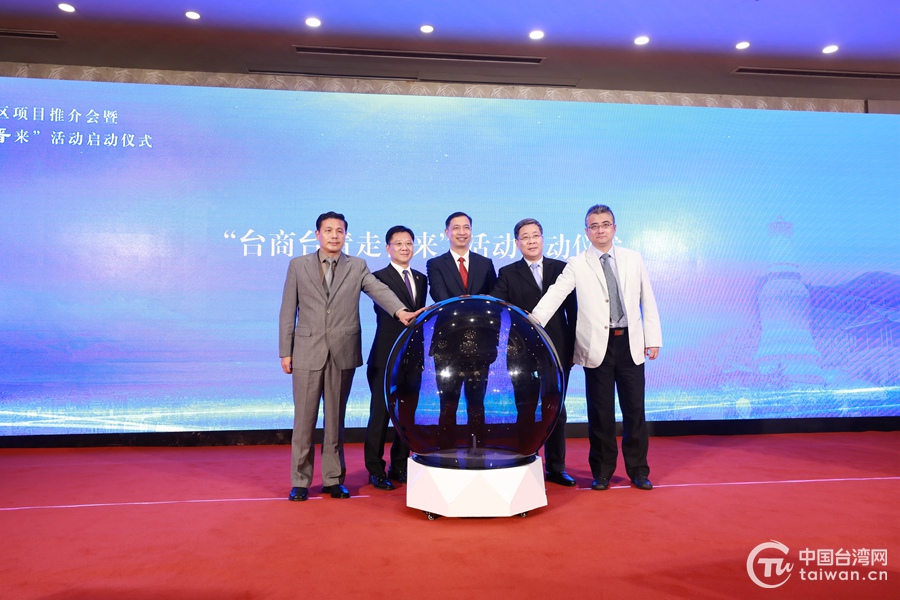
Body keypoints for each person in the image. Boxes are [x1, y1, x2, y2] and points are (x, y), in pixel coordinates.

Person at [278, 211, 421, 502]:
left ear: (345, 235)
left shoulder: (356, 266)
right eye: (329, 230)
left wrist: (400, 311)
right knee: (304, 421)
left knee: (335, 420)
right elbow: (287, 310)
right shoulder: (298, 265)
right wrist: (285, 351)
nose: (334, 235)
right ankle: (300, 481)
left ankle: (333, 479)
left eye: (339, 231)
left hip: (342, 352)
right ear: (317, 234)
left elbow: (378, 290)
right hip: (306, 352)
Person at [532, 205, 661, 491]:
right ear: (586, 231)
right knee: (600, 414)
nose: (600, 230)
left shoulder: (633, 258)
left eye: (605, 224)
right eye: (594, 226)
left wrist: (652, 338)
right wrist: (534, 319)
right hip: (597, 347)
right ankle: (602, 472)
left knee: (635, 412)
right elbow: (556, 293)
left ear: (614, 228)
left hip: (630, 344)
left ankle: (639, 470)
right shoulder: (577, 263)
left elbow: (647, 300)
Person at [491, 218, 578, 486]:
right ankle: (526, 460)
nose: (531, 241)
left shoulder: (562, 269)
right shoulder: (507, 272)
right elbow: (498, 307)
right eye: (525, 237)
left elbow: (573, 312)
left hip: (558, 350)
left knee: (557, 410)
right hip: (522, 351)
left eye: (535, 235)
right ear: (517, 243)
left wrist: (573, 348)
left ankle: (556, 467)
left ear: (542, 238)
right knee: (526, 408)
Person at [426, 212, 498, 450]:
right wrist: (472, 306)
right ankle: (445, 450)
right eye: (456, 228)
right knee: (448, 402)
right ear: (446, 232)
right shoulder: (435, 264)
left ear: (471, 231)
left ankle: (477, 450)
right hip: (448, 344)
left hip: (481, 344)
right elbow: (441, 297)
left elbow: (494, 304)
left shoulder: (485, 264)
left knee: (477, 403)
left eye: (466, 227)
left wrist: (494, 340)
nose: (461, 232)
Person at [363, 225, 427, 490]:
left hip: (411, 358)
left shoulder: (421, 278)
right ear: (388, 248)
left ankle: (400, 465)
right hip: (384, 356)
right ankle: (375, 469)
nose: (404, 248)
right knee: (380, 415)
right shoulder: (377, 277)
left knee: (407, 415)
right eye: (398, 243)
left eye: (409, 243)